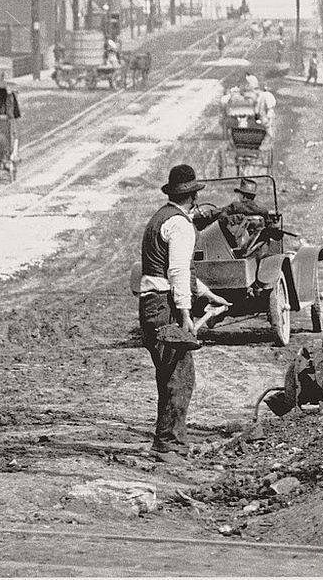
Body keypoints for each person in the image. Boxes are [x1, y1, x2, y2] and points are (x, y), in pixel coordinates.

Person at [136, 164, 206, 461]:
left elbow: (164, 268)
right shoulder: (181, 224)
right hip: (166, 306)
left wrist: (206, 293)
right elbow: (177, 271)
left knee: (168, 373)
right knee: (180, 374)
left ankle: (164, 442)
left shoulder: (158, 219)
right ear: (192, 197)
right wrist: (187, 313)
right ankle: (170, 446)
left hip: (152, 303)